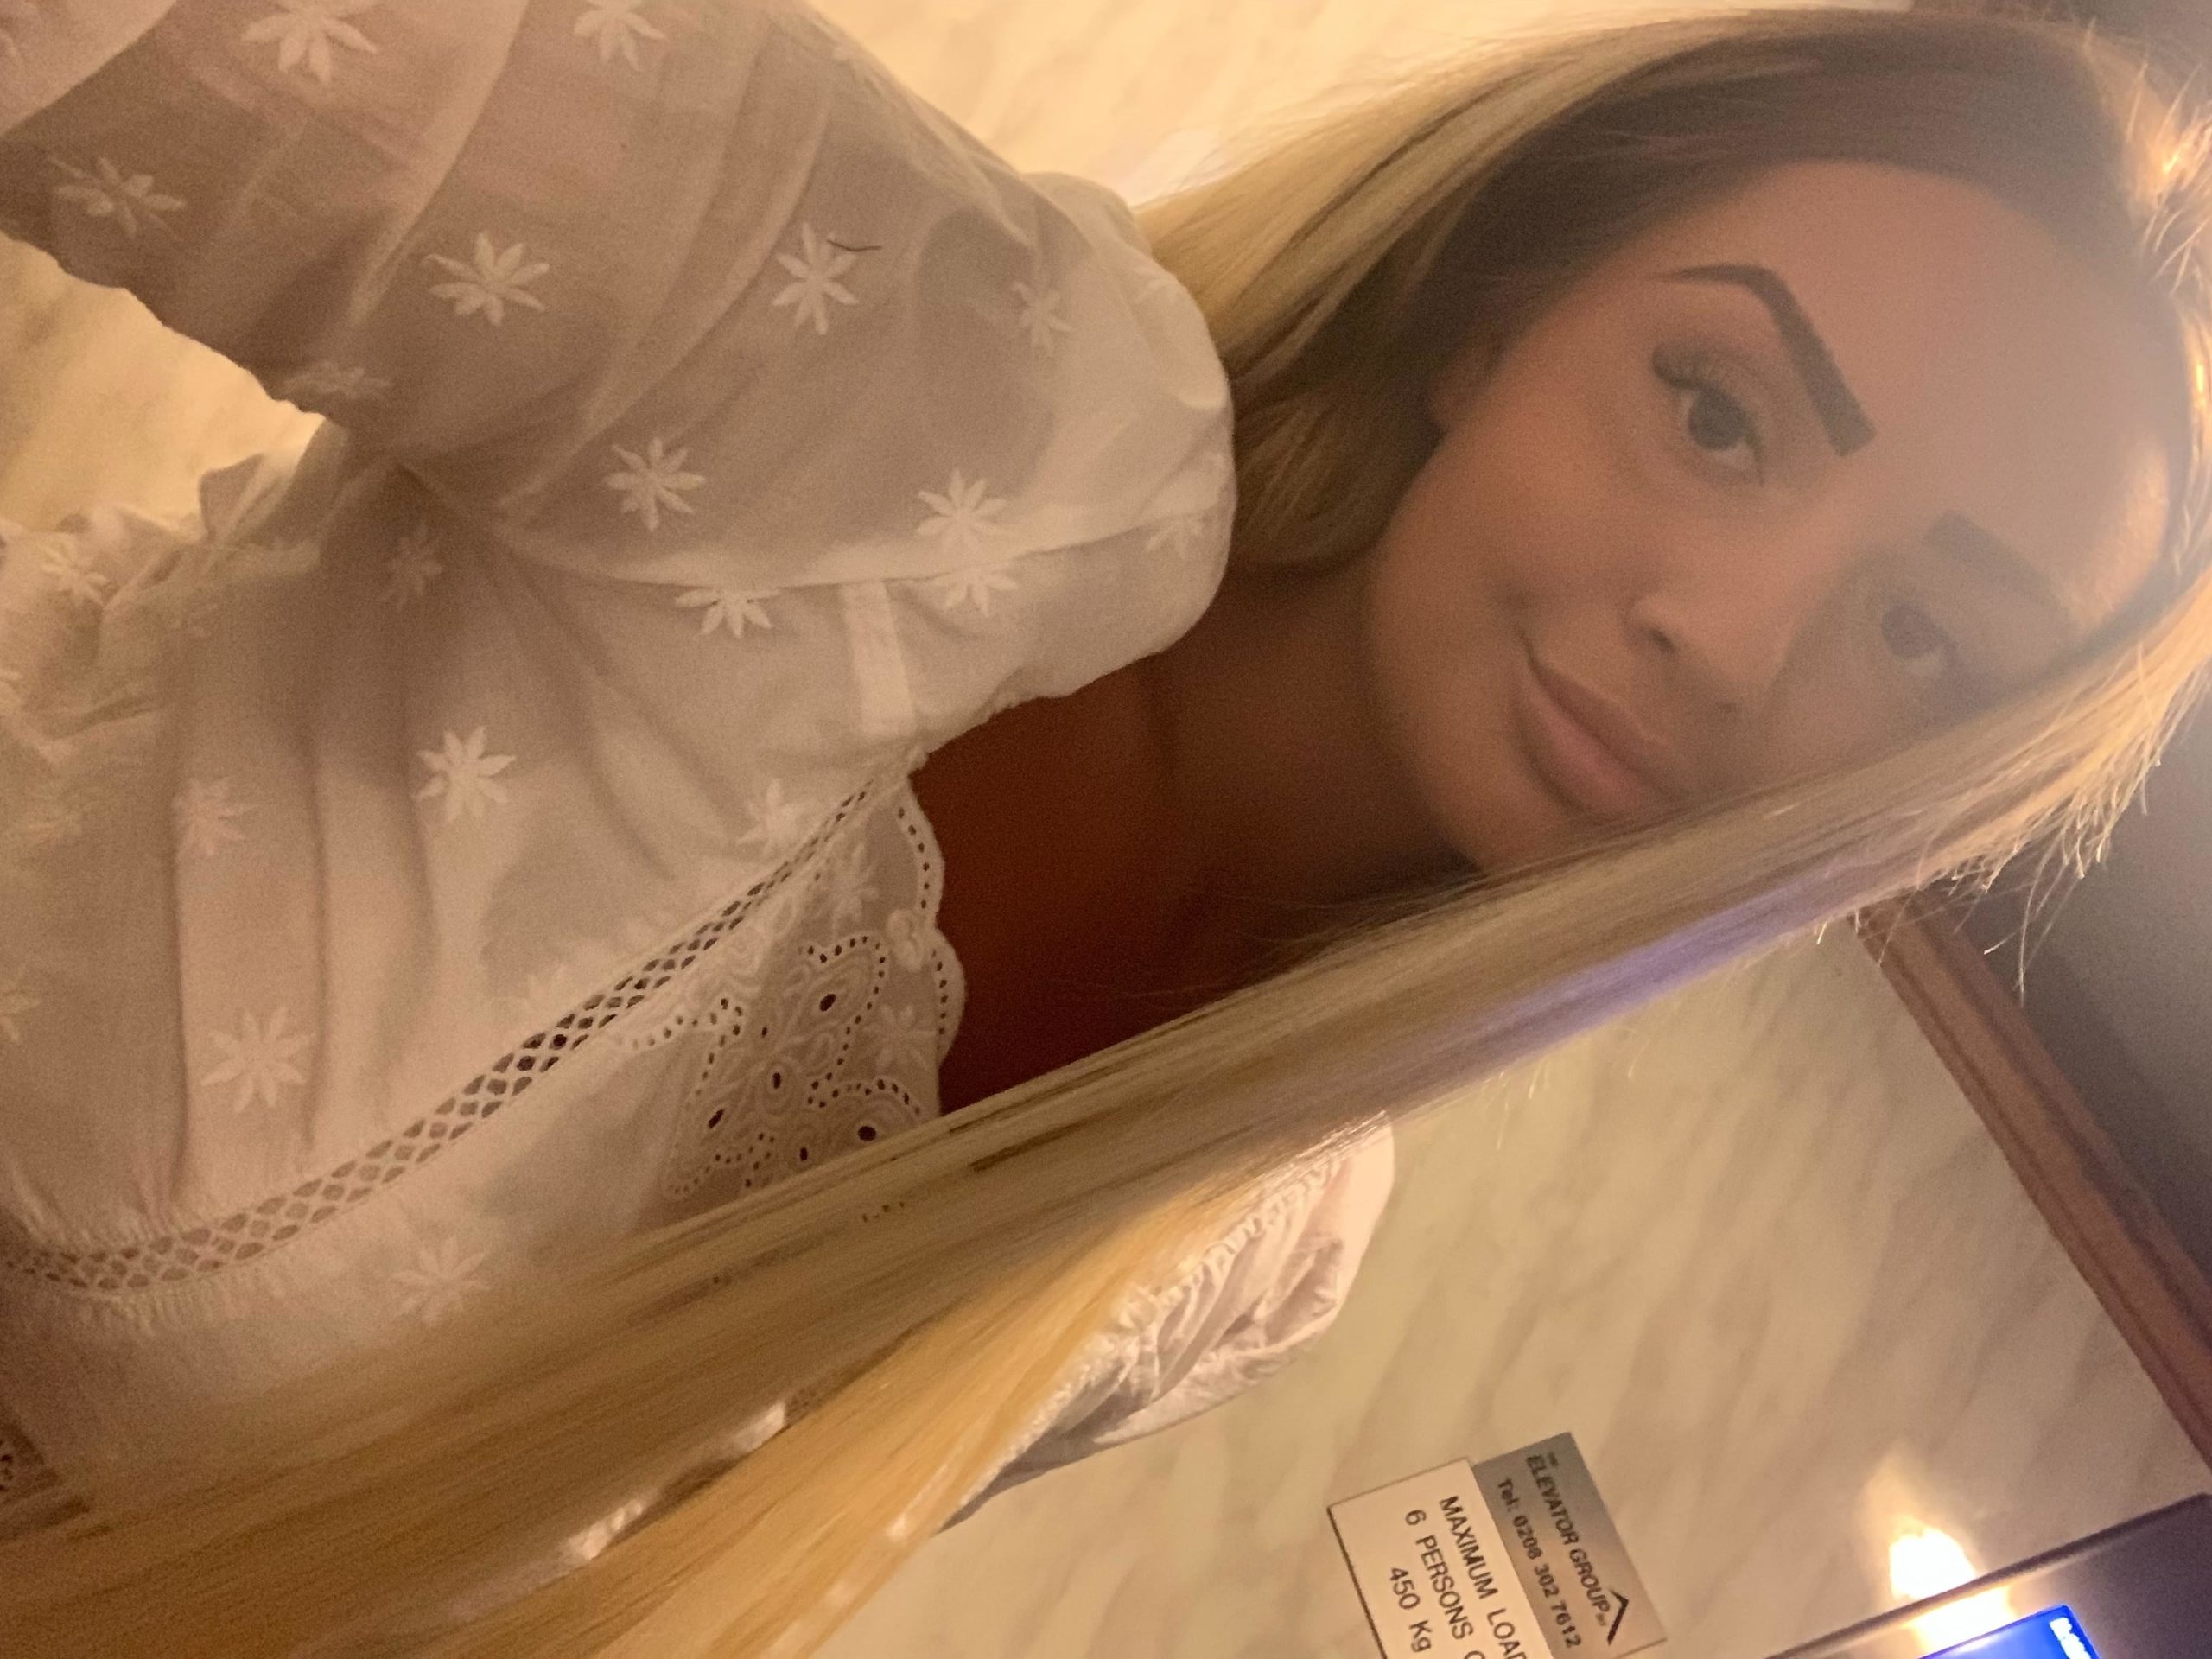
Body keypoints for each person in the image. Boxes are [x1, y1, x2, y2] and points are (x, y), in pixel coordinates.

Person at [0, 2, 2207, 1655]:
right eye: (1712, 407)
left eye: (1919, 638)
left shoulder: (1253, 1257)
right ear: (1499, 315)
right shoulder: (937, 402)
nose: (1722, 640)